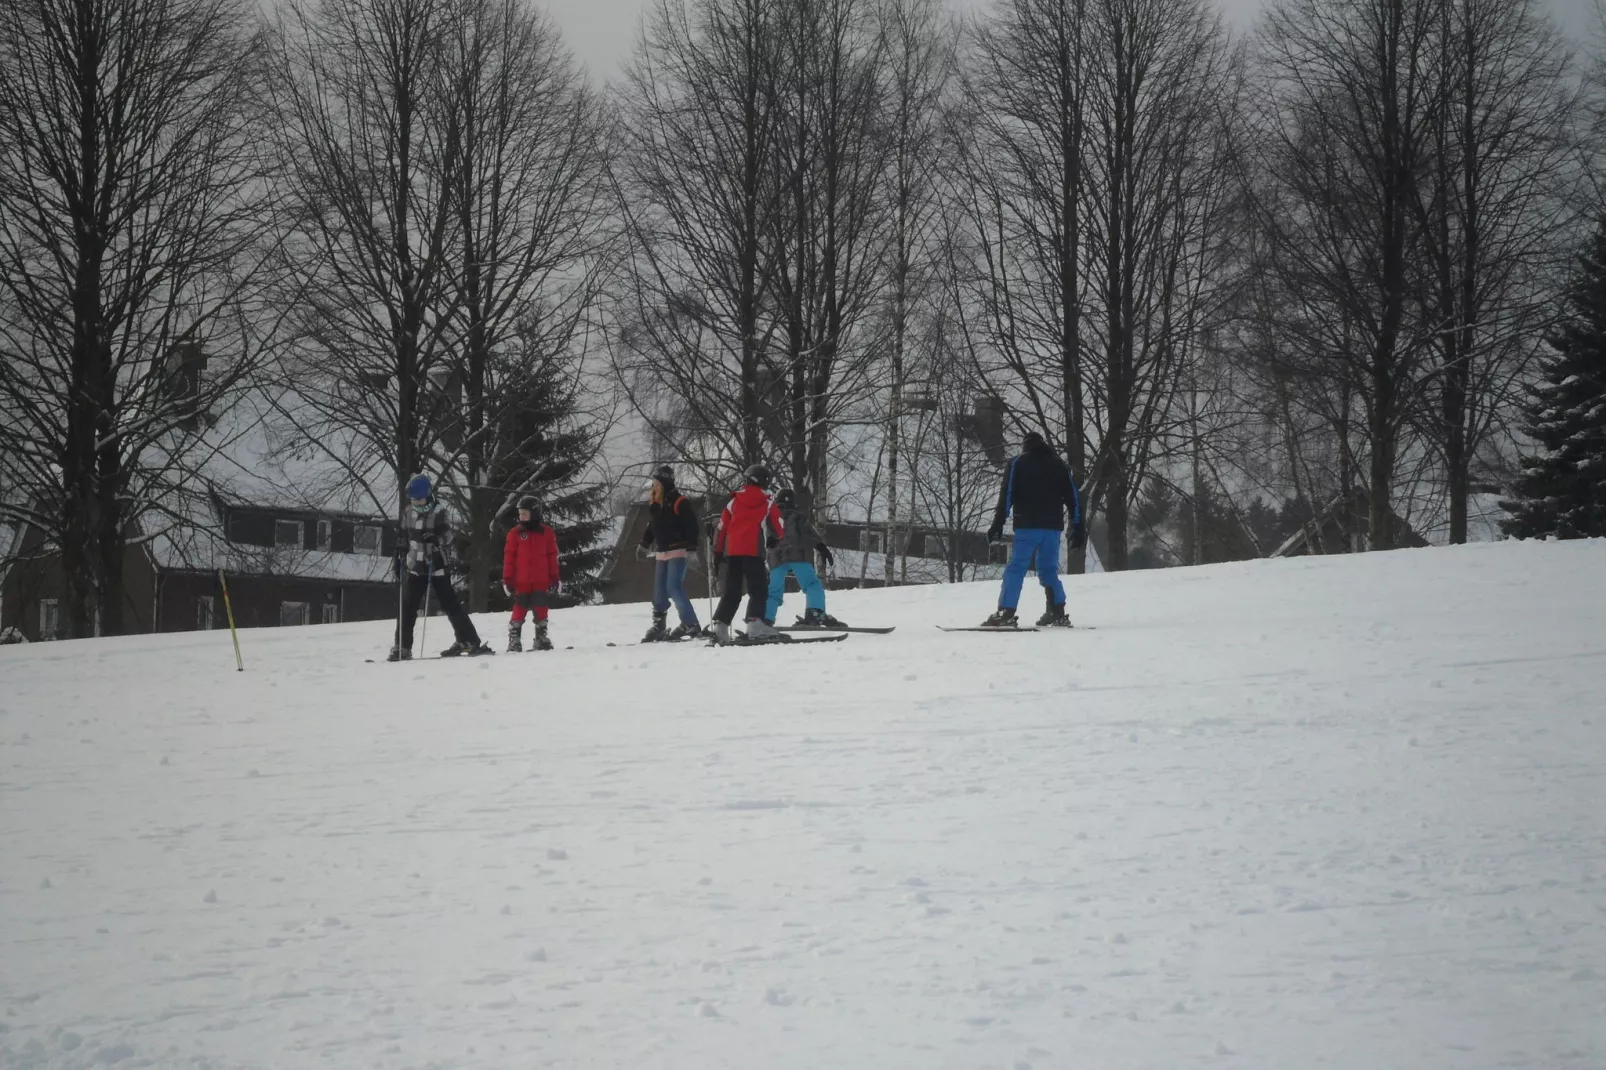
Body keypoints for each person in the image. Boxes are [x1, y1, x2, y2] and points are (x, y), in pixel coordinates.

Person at [982, 431, 1085, 628]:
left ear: (1025, 446)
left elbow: (1007, 494)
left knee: (1016, 568)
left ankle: (1006, 612)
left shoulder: (1018, 463)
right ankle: (1057, 612)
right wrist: (1078, 526)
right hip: (1052, 528)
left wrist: (998, 523)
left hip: (1027, 526)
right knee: (1048, 570)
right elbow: (1073, 498)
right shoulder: (1059, 465)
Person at [391, 474, 493, 660]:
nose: (417, 503)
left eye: (420, 499)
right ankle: (402, 646)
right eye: (413, 500)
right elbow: (403, 535)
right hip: (415, 565)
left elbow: (448, 537)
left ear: (428, 495)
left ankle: (468, 639)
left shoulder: (439, 512)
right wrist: (399, 555)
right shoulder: (408, 512)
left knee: (449, 604)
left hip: (436, 565)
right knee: (407, 606)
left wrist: (436, 540)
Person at [710, 464, 785, 645]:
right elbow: (779, 525)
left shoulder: (733, 502)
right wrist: (777, 539)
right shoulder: (768, 502)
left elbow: (721, 529)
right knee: (758, 589)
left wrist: (717, 553)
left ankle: (720, 627)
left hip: (733, 553)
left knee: (732, 590)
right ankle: (755, 624)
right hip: (753, 551)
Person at [638, 465, 703, 642]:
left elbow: (692, 527)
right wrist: (644, 544)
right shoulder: (657, 504)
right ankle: (659, 626)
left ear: (665, 483)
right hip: (662, 552)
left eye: (657, 484)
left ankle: (690, 623)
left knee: (673, 587)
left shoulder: (680, 502)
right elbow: (653, 526)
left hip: (678, 550)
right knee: (659, 592)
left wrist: (691, 550)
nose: (654, 488)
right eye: (653, 484)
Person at [765, 487, 844, 628]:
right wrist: (821, 547)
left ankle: (766, 619)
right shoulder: (797, 516)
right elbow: (808, 534)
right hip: (797, 555)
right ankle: (815, 613)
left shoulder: (771, 518)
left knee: (774, 590)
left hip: (776, 558)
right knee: (811, 584)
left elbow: (766, 537)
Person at [503, 495, 561, 652]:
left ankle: (541, 637)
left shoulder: (546, 533)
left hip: (541, 580)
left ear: (534, 513)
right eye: (520, 514)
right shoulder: (515, 533)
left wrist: (555, 578)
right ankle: (514, 638)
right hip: (521, 581)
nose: (521, 517)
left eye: (525, 514)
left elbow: (552, 557)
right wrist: (507, 579)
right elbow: (509, 557)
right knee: (519, 609)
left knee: (541, 608)